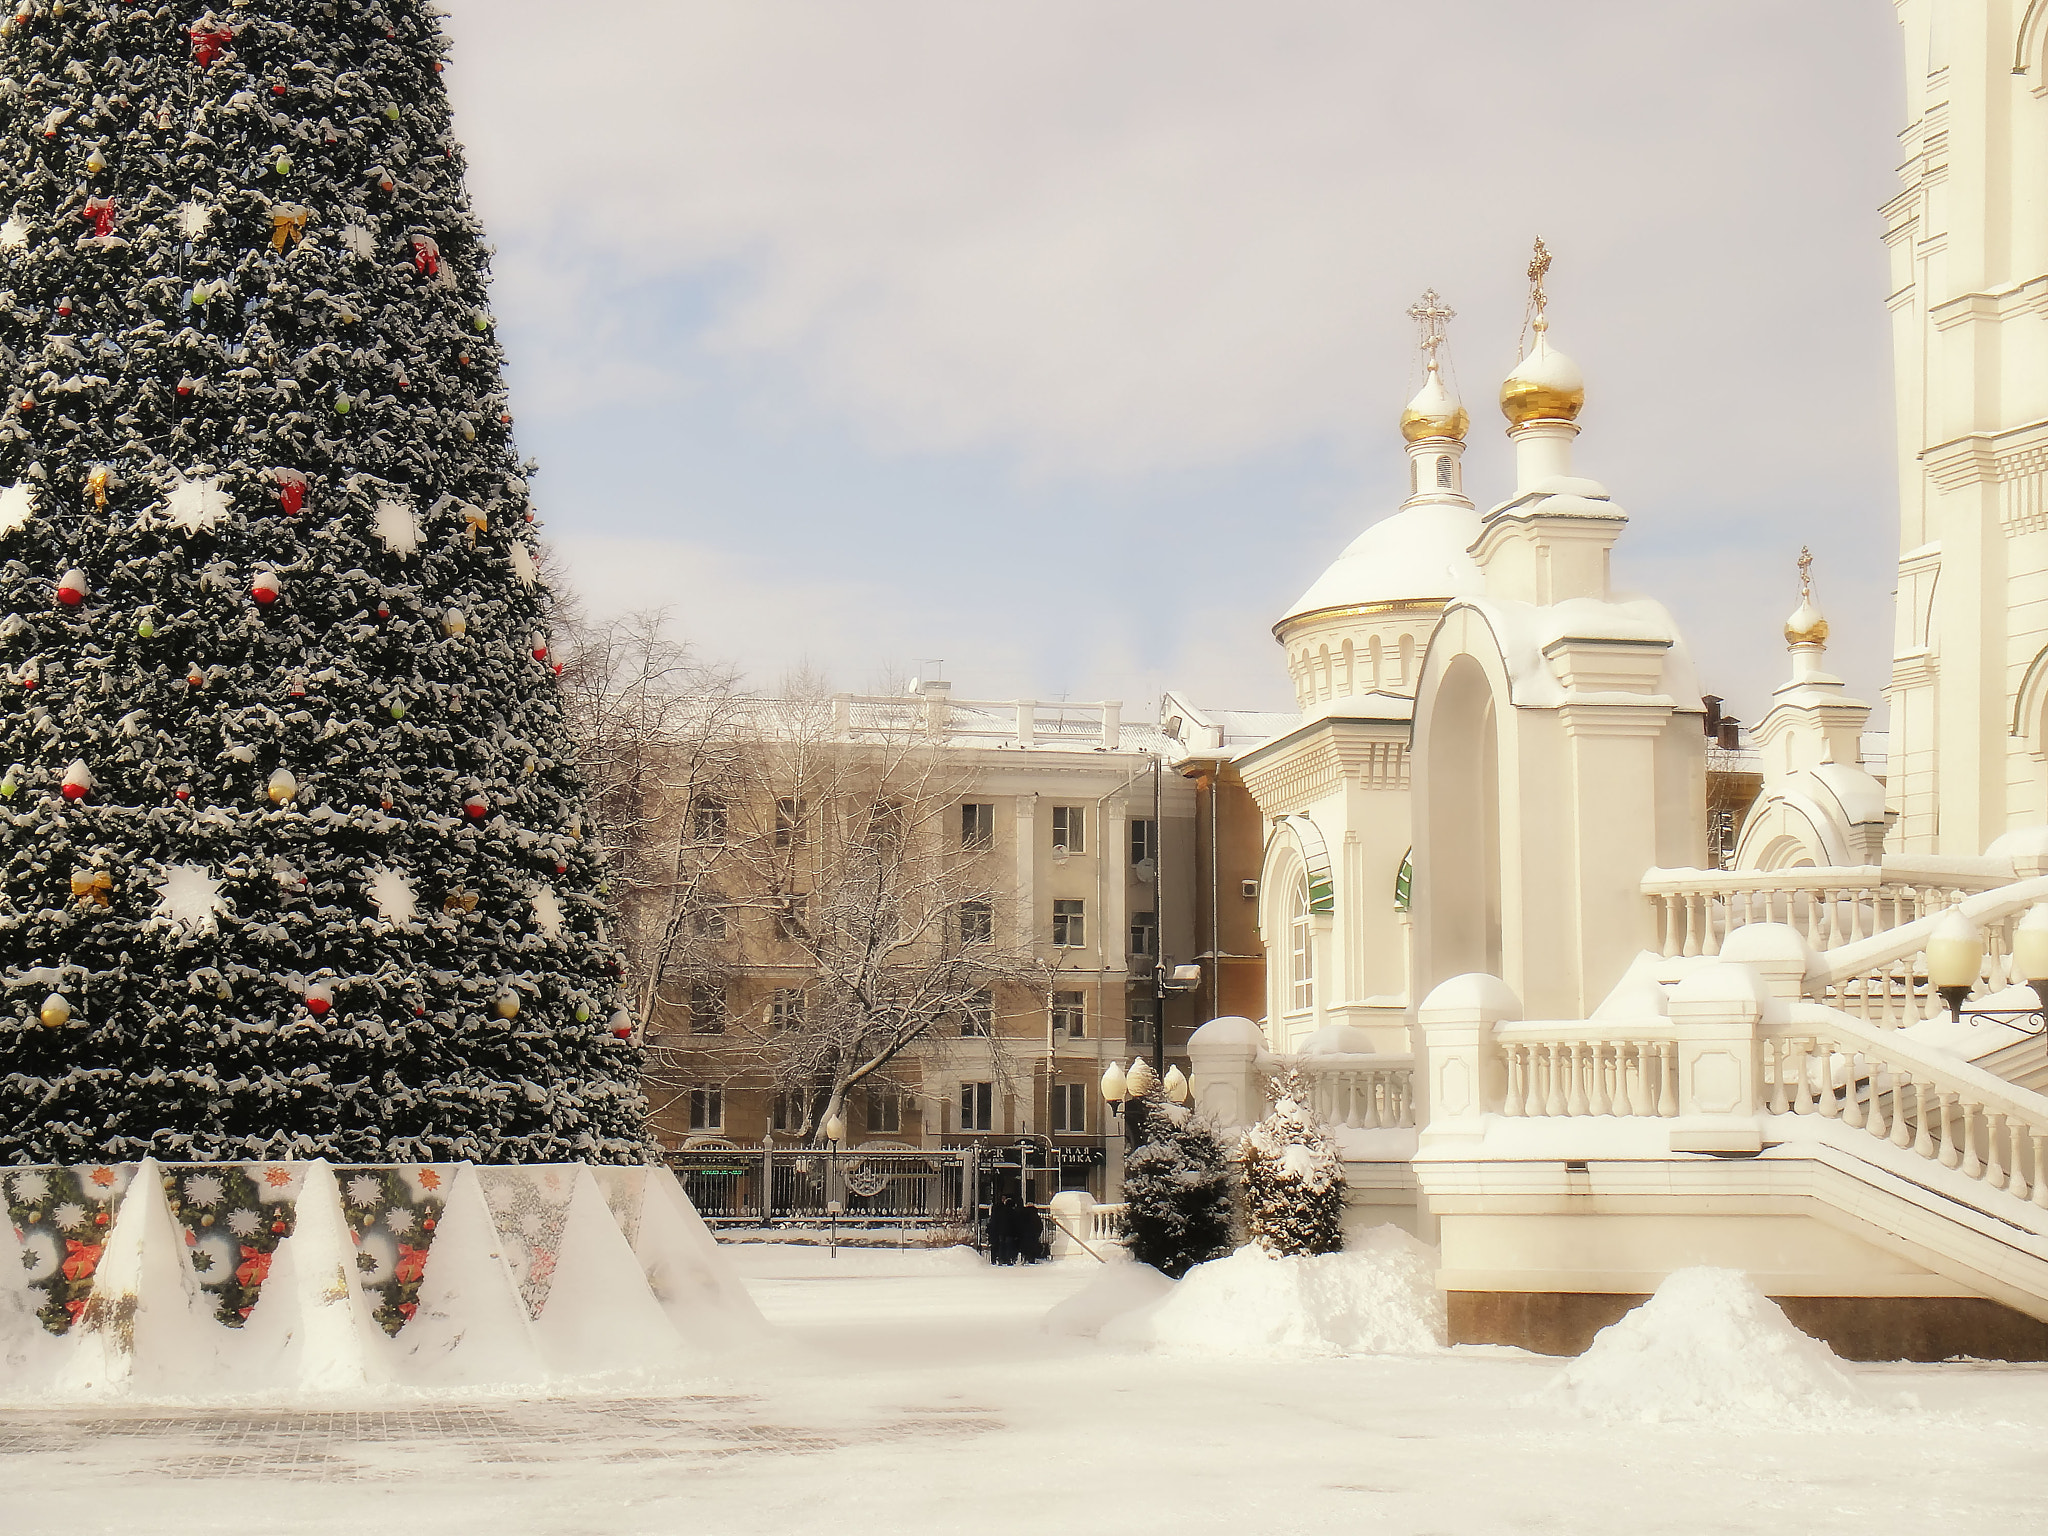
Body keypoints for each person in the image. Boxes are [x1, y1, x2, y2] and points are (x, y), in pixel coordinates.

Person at [988, 1192, 1020, 1265]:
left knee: (1002, 1245)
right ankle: (1008, 1259)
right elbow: (1015, 1223)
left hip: (1001, 1231)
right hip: (1010, 1232)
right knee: (1009, 1245)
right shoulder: (1013, 1212)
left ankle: (1001, 1258)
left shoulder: (1000, 1211)